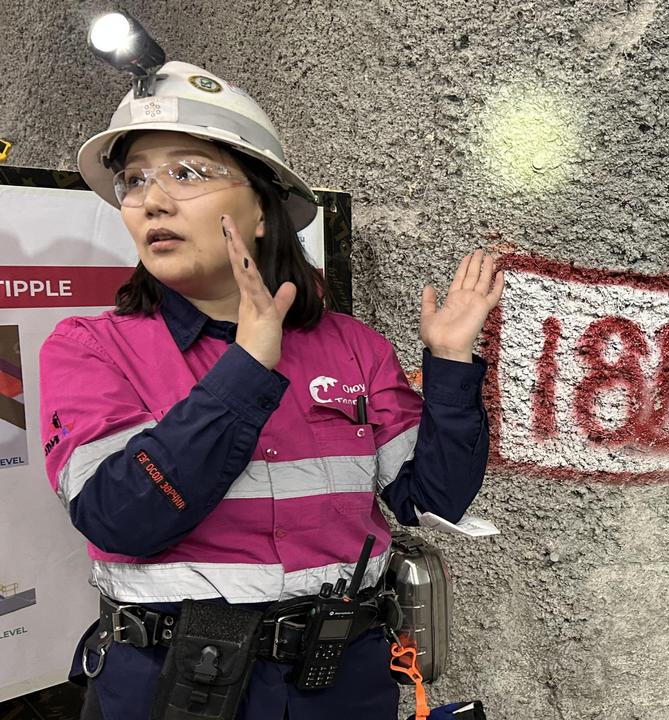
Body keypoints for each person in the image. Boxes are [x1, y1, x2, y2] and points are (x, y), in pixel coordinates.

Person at [38, 60, 502, 720]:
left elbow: (432, 500)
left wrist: (452, 366)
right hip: (173, 689)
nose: (151, 201)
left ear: (262, 208)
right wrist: (247, 370)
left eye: (186, 173)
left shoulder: (353, 347)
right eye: (133, 180)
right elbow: (120, 518)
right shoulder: (90, 347)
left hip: (342, 685)